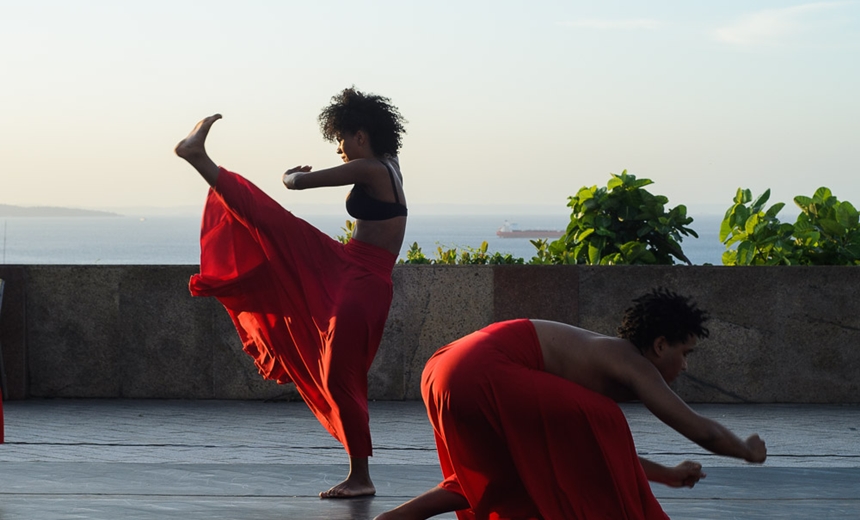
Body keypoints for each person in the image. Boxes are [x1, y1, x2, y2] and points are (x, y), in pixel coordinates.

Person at [174, 87, 407, 498]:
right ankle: (199, 158)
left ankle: (361, 477)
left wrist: (290, 174)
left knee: (340, 375)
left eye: (340, 140)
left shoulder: (372, 169)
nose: (339, 150)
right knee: (273, 228)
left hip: (362, 281)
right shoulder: (390, 165)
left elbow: (299, 183)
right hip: (351, 267)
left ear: (361, 135)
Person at [375, 288, 767, 520]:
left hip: (444, 369)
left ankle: (398, 517)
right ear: (660, 344)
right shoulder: (633, 363)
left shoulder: (599, 359)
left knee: (516, 468)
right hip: (481, 371)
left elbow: (587, 449)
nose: (684, 364)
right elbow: (700, 429)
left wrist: (664, 473)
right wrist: (747, 450)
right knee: (603, 418)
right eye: (685, 353)